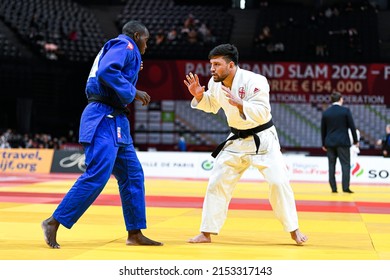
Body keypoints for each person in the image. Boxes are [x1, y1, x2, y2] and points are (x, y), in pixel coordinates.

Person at [41, 20, 162, 248]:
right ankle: (54, 221)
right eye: (146, 39)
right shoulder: (124, 44)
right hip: (102, 116)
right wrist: (133, 91)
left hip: (117, 120)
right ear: (137, 36)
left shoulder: (125, 51)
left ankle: (135, 233)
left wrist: (132, 72)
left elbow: (111, 69)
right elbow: (107, 71)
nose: (147, 44)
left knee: (133, 175)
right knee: (98, 174)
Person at [183, 43, 308, 245]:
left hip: (263, 139)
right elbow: (213, 105)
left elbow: (262, 112)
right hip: (236, 140)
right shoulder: (215, 83)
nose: (212, 69)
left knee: (278, 182)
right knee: (217, 182)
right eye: (211, 64)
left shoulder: (255, 81)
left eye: (217, 64)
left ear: (231, 65)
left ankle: (294, 229)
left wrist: (241, 104)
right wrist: (199, 96)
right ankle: (206, 232)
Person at [321, 92, 359, 193]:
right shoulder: (345, 111)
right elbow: (352, 127)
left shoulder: (326, 112)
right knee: (345, 165)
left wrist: (323, 143)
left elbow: (323, 130)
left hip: (330, 143)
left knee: (331, 165)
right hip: (343, 142)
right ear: (340, 99)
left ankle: (333, 188)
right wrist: (356, 141)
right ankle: (345, 188)